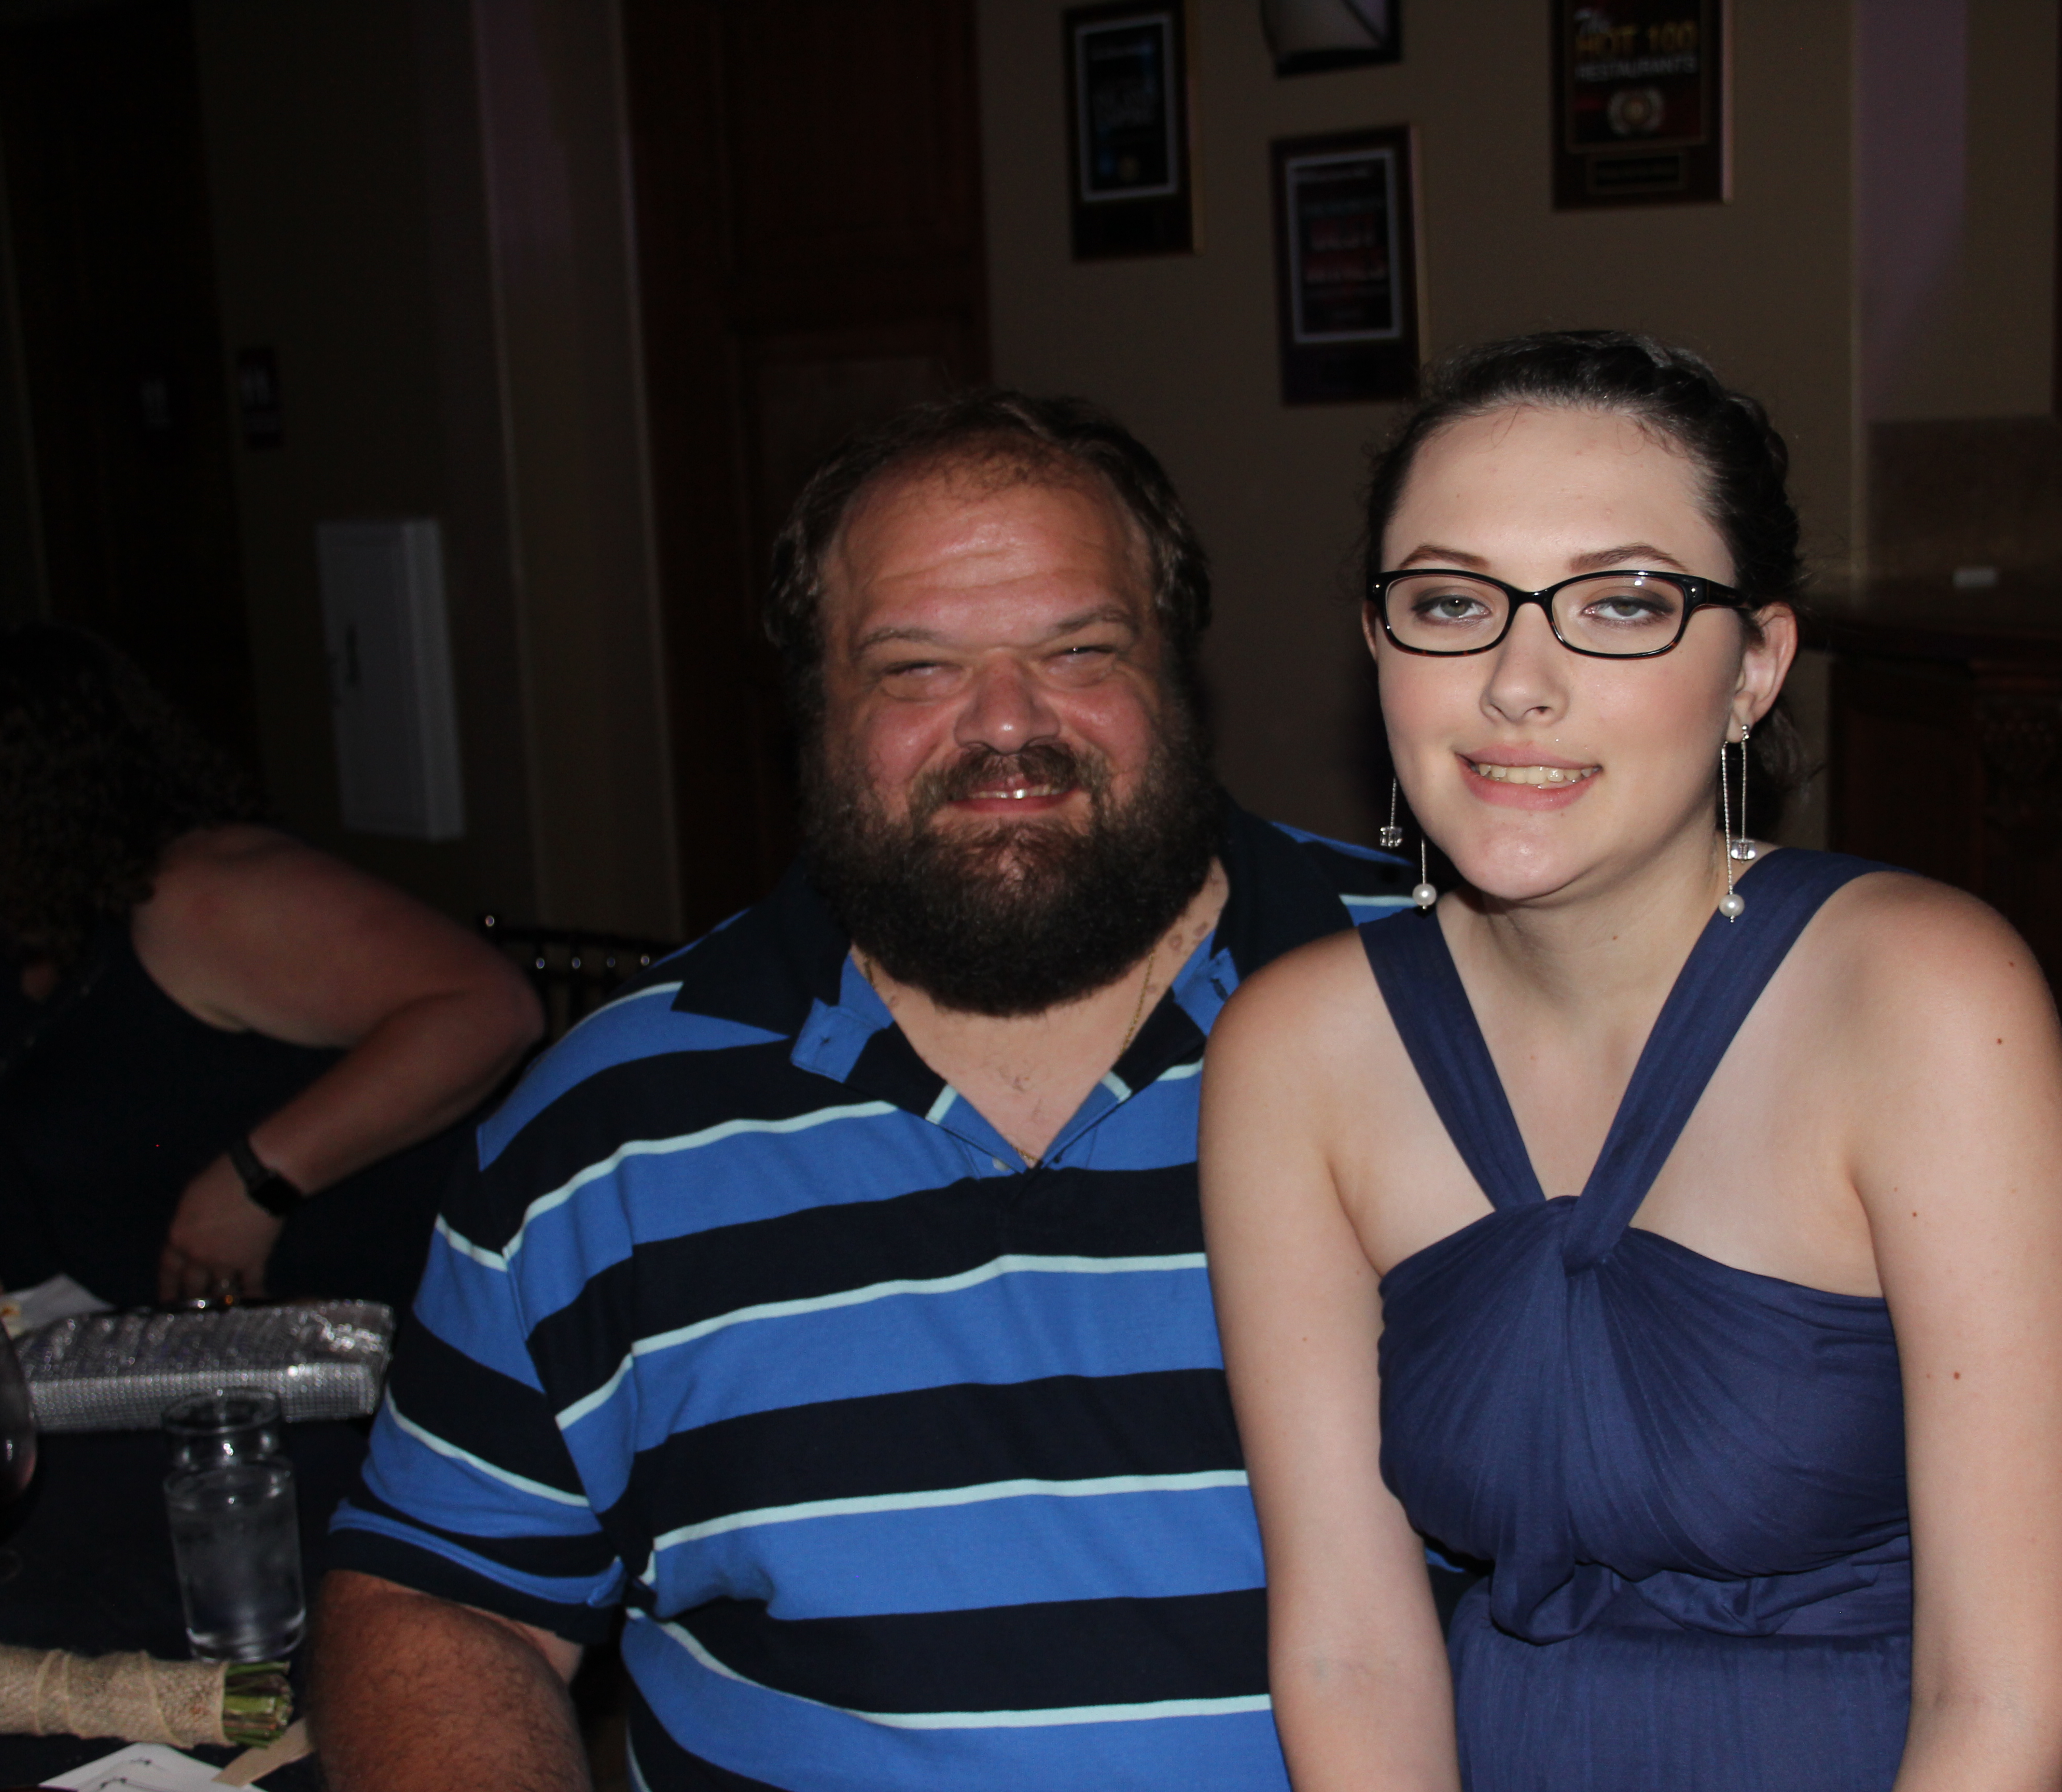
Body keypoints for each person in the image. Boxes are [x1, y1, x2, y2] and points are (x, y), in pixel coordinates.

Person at [309, 390, 1417, 1792]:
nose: (1007, 724)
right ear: (814, 715)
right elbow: (441, 1595)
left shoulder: (1458, 1000)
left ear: (1174, 673)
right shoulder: (601, 1135)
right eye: (915, 669)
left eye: (1079, 650)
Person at [1199, 333, 2062, 1790]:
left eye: (1622, 605)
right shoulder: (1296, 1053)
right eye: (1452, 602)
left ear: (1754, 669)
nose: (1517, 683)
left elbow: (2005, 1695)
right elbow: (1350, 1644)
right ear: (1381, 645)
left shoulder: (1921, 1002)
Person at [0, 623, 543, 1312]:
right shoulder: (42, 925)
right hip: (137, 1347)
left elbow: (489, 1008)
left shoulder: (192, 896)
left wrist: (258, 1180)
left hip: (367, 1339)